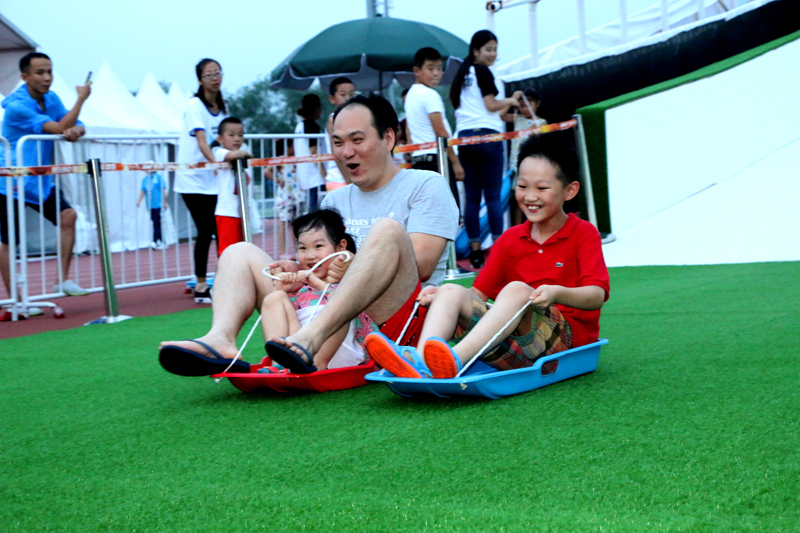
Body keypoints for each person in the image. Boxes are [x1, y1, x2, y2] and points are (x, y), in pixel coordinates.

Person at [158, 94, 458, 377]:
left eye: (357, 140)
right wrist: (296, 271)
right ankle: (221, 339)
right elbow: (318, 269)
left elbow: (422, 265)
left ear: (388, 138)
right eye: (338, 142)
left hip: (391, 319)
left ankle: (310, 339)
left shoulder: (425, 184)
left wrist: (348, 267)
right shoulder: (335, 200)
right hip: (323, 306)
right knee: (239, 251)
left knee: (387, 229)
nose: (346, 152)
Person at [365, 134, 609, 379]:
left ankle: (456, 358)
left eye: (542, 188)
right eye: (523, 186)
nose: (530, 196)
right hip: (511, 346)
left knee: (517, 290)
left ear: (570, 191)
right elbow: (477, 295)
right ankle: (420, 361)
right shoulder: (510, 239)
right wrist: (440, 295)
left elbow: (597, 295)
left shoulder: (583, 233)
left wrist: (556, 292)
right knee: (451, 291)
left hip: (564, 346)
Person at [0, 52, 92, 300]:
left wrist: (77, 129)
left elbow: (72, 123)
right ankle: (16, 301)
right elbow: (59, 127)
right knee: (9, 241)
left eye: (49, 71)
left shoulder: (51, 99)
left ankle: (61, 280)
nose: (47, 77)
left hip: (40, 179)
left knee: (68, 216)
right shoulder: (17, 105)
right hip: (11, 180)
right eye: (40, 72)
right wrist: (80, 100)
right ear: (25, 76)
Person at [261, 209, 378, 373]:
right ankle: (279, 364)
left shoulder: (349, 280)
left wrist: (317, 283)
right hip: (303, 346)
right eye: (303, 248)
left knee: (340, 306)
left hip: (341, 354)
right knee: (274, 298)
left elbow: (347, 303)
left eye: (318, 246)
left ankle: (317, 364)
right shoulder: (300, 286)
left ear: (340, 247)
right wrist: (280, 290)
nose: (310, 255)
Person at [450, 30, 523, 269]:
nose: (493, 54)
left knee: (471, 198)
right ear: (476, 51)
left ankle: (475, 253)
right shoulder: (483, 72)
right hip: (488, 138)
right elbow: (492, 106)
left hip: (464, 139)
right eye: (488, 49)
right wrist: (512, 100)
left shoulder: (462, 75)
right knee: (492, 196)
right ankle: (500, 251)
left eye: (495, 49)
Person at [175, 58, 227, 304]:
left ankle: (224, 280)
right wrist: (218, 165)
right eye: (209, 74)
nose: (214, 78)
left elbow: (226, 140)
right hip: (193, 179)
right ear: (199, 80)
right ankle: (200, 284)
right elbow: (202, 141)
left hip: (214, 180)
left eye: (217, 73)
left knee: (221, 230)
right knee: (206, 230)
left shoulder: (223, 107)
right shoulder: (195, 104)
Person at [405, 47, 464, 209]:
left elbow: (409, 130)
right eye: (430, 68)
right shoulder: (430, 95)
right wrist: (455, 162)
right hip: (437, 160)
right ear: (417, 70)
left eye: (439, 68)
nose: (436, 73)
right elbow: (440, 132)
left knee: (428, 214)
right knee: (448, 213)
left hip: (418, 161)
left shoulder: (410, 95)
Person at [211, 117, 253, 256]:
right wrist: (245, 154)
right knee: (228, 252)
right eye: (231, 135)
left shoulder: (242, 158)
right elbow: (235, 154)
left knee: (244, 250)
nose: (237, 139)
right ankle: (226, 276)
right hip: (227, 212)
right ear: (220, 138)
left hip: (242, 210)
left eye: (240, 135)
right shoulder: (219, 152)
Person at [506, 88, 546, 225]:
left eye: (529, 104)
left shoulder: (542, 123)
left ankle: (536, 224)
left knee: (533, 197)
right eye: (522, 105)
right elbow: (501, 115)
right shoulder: (518, 119)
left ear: (537, 104)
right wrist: (512, 99)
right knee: (518, 199)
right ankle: (518, 228)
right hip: (515, 166)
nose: (525, 109)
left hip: (532, 166)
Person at [294, 93, 326, 212]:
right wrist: (324, 174)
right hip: (315, 176)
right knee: (315, 210)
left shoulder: (299, 126)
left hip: (305, 174)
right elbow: (314, 151)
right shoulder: (311, 126)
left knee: (311, 208)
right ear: (317, 109)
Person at [324, 77, 356, 191]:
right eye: (343, 95)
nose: (348, 98)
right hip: (339, 179)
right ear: (332, 99)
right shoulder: (334, 120)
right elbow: (336, 152)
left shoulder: (355, 119)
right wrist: (349, 180)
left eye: (351, 94)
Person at [136, 165, 169, 249]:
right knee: (155, 222)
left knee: (156, 223)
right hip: (150, 205)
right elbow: (143, 191)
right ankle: (161, 241)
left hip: (159, 204)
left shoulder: (158, 178)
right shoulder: (145, 180)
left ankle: (154, 241)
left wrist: (164, 202)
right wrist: (139, 200)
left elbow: (163, 190)